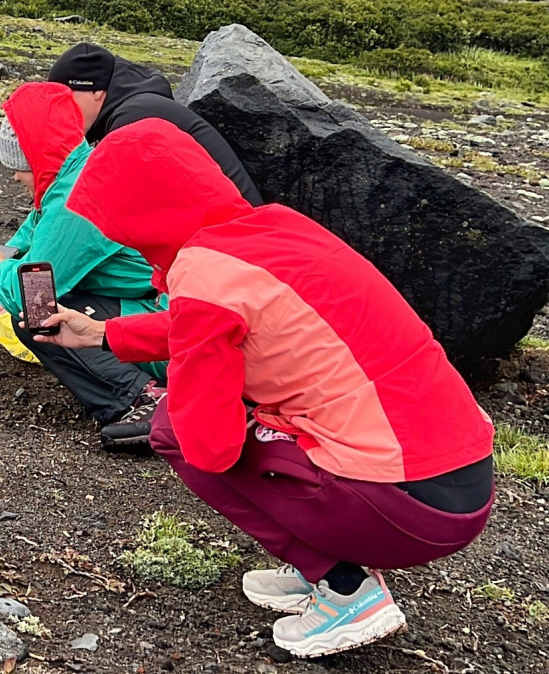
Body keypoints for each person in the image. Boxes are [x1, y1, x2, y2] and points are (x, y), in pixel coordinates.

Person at [35, 118, 494, 659]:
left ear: (137, 218)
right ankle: (322, 565)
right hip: (458, 480)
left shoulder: (204, 277)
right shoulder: (274, 229)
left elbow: (211, 442)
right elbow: (231, 319)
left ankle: (344, 585)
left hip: (406, 509)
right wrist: (104, 332)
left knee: (172, 433)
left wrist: (201, 389)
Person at [0, 81, 166, 448]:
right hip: (148, 311)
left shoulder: (76, 199)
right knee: (46, 303)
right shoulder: (72, 175)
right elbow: (20, 247)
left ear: (35, 156)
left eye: (18, 165)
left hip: (166, 325)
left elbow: (33, 292)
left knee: (37, 317)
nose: (13, 176)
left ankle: (147, 399)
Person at [47, 42, 263, 206]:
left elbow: (113, 200)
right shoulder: (137, 109)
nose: (60, 111)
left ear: (95, 90)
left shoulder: (133, 118)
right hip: (228, 232)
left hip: (231, 239)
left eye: (64, 97)